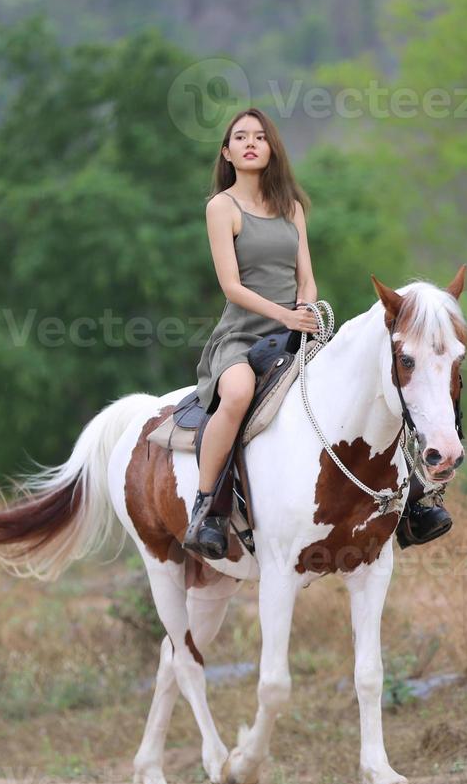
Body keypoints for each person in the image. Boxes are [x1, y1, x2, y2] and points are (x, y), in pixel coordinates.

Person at [182, 108, 453, 560]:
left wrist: (305, 307)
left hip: (298, 331)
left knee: (373, 389)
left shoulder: (291, 207)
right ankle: (208, 508)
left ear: (271, 150)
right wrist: (285, 316)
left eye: (260, 137)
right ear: (227, 153)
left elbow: (305, 275)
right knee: (235, 395)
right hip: (243, 336)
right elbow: (231, 286)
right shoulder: (221, 207)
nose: (251, 143)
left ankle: (412, 505)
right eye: (240, 138)